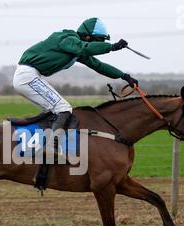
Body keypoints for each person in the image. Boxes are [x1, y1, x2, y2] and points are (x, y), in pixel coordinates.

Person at [13, 17, 139, 154]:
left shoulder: (76, 49)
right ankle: (51, 147)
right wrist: (112, 47)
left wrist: (124, 76)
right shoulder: (67, 39)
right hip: (27, 76)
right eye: (98, 41)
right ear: (88, 36)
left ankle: (37, 144)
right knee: (63, 108)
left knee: (53, 112)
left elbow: (98, 65)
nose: (97, 45)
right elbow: (85, 48)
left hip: (30, 76)